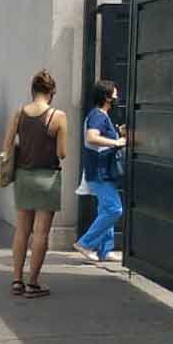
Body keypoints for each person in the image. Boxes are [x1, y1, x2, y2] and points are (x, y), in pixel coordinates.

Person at [2, 70, 67, 299]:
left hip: (23, 176)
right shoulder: (57, 116)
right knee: (41, 233)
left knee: (22, 230)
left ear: (33, 90)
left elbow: (7, 146)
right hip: (47, 178)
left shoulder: (20, 113)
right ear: (52, 93)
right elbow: (62, 152)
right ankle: (33, 283)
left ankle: (17, 280)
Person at [74, 80, 126, 262]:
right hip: (99, 171)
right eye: (115, 94)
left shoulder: (100, 116)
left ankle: (105, 249)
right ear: (106, 97)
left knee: (105, 208)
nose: (117, 97)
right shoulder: (98, 116)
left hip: (102, 170)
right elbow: (92, 137)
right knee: (114, 209)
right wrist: (116, 142)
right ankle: (86, 243)